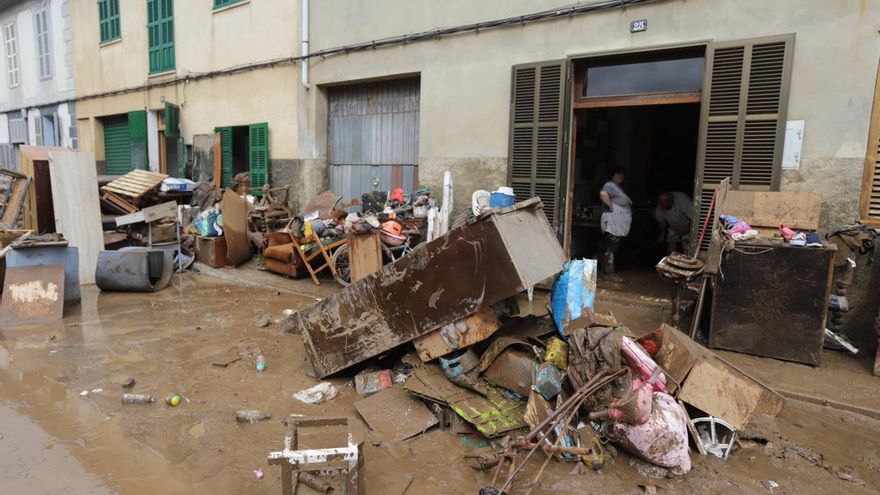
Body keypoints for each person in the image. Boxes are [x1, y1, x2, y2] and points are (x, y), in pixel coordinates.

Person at [599, 168, 632, 280]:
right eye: (618, 174)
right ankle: (609, 273)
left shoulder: (616, 187)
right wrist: (610, 206)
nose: (621, 176)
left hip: (617, 221)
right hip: (613, 221)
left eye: (622, 174)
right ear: (612, 175)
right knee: (611, 247)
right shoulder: (610, 185)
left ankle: (606, 272)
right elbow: (603, 194)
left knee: (611, 247)